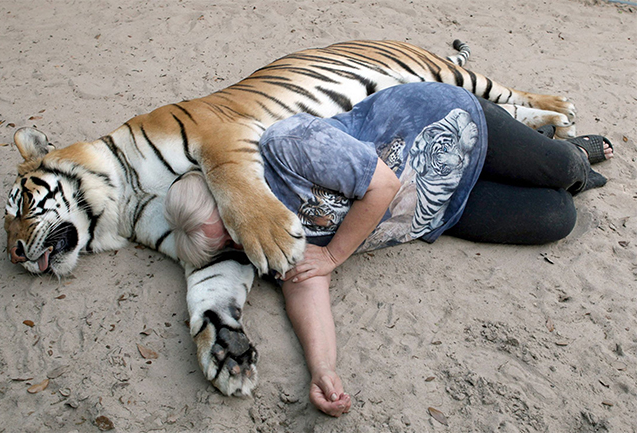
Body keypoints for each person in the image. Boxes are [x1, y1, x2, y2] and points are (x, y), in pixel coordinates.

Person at [164, 82, 613, 417]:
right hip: (437, 204)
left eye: (227, 230)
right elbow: (305, 284)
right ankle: (557, 173)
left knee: (560, 170)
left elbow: (383, 185)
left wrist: (335, 254)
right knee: (558, 219)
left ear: (228, 194)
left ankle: (574, 153)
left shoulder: (289, 145)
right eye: (226, 248)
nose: (239, 245)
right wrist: (323, 369)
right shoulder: (264, 244)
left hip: (450, 123)